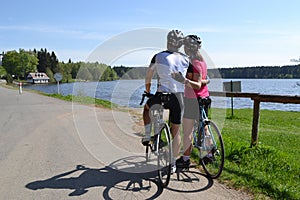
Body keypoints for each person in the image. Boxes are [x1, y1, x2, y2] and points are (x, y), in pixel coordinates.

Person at [142, 30, 193, 172]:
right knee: (175, 132)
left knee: (147, 109)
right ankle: (172, 164)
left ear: (167, 41)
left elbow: (148, 77)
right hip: (179, 98)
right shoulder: (185, 59)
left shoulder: (158, 56)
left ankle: (147, 135)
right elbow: (188, 80)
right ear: (180, 44)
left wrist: (147, 91)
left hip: (162, 96)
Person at [176, 35, 211, 169]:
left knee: (188, 131)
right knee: (205, 127)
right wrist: (206, 81)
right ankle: (209, 154)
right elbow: (203, 80)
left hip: (192, 99)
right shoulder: (202, 62)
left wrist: (182, 80)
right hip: (205, 98)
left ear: (187, 47)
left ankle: (185, 159)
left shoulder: (193, 64)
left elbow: (196, 85)